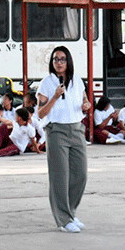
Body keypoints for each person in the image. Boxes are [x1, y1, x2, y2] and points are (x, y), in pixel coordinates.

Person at [36, 46, 92, 233]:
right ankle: (63, 220)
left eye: (62, 59)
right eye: (55, 59)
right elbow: (40, 112)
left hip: (76, 129)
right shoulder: (47, 83)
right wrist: (54, 96)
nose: (59, 63)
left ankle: (70, 212)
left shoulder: (77, 80)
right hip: (57, 131)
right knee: (60, 177)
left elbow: (85, 102)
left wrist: (86, 105)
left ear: (68, 61)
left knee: (80, 174)